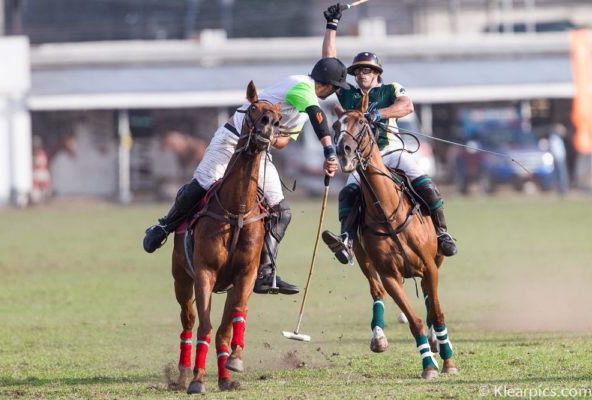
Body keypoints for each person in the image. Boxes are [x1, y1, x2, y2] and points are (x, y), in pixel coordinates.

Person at [143, 57, 349, 295]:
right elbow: (317, 116)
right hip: (231, 139)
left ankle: (265, 272)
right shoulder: (302, 86)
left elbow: (282, 142)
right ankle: (163, 228)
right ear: (331, 85)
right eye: (336, 87)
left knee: (282, 211)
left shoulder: (301, 111)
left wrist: (269, 138)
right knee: (202, 185)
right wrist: (330, 152)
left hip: (259, 152)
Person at [320, 3, 457, 265]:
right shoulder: (348, 94)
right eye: (358, 71)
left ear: (377, 73)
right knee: (348, 194)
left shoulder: (390, 89)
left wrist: (379, 114)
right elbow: (329, 64)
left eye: (367, 70)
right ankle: (346, 241)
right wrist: (332, 26)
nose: (362, 75)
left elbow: (407, 106)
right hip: (362, 160)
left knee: (424, 182)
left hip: (391, 152)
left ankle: (442, 233)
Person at [548, 123, 569, 196]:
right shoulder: (554, 138)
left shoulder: (557, 138)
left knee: (561, 174)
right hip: (559, 160)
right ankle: (562, 190)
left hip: (560, 159)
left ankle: (562, 190)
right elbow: (556, 150)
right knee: (562, 175)